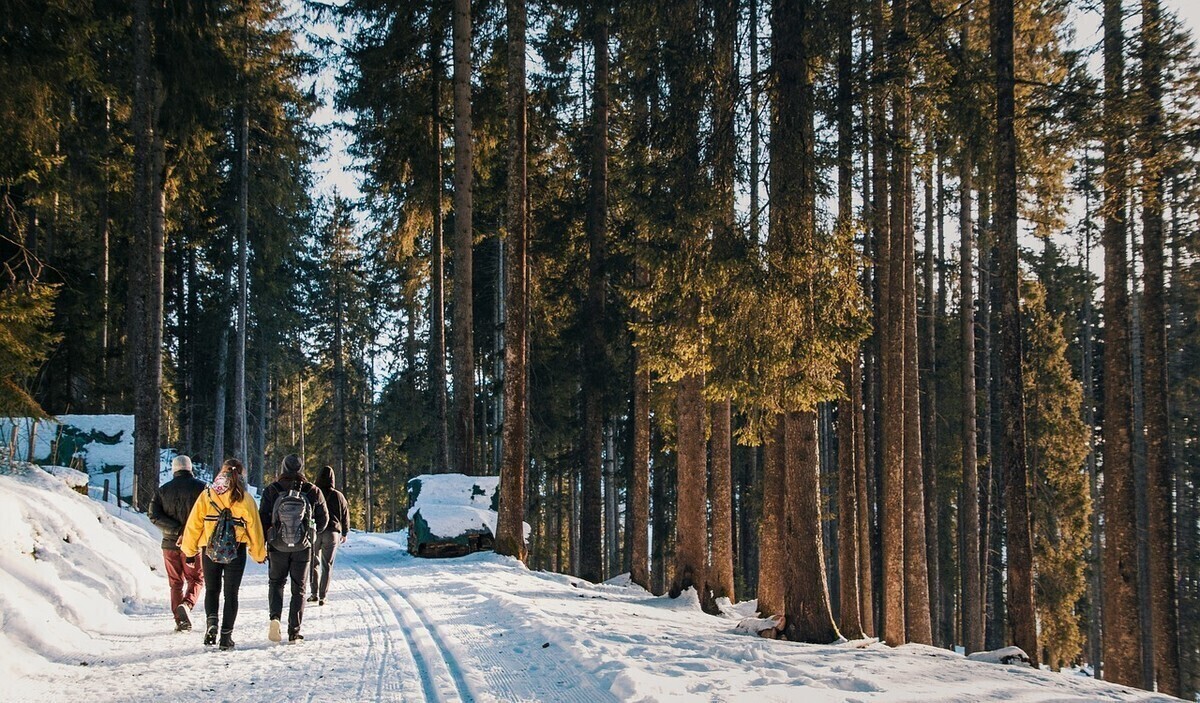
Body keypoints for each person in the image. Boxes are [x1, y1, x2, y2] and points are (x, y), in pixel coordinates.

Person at [181, 458, 266, 651]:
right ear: (240, 474)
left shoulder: (207, 495)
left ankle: (212, 623)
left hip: (209, 550)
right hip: (236, 551)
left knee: (212, 590)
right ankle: (226, 637)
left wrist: (189, 551)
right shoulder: (245, 498)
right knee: (231, 594)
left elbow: (193, 524)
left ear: (222, 472)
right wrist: (259, 554)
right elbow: (255, 529)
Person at [260, 454, 328, 644]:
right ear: (301, 469)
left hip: (277, 546)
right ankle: (294, 631)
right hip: (303, 547)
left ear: (283, 468)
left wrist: (269, 537)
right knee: (299, 588)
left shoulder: (272, 490)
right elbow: (324, 520)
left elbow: (262, 518)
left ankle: (275, 618)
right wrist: (310, 533)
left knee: (276, 583)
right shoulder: (312, 490)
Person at [148, 455, 207, 631]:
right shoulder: (202, 489)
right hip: (193, 544)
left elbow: (153, 515)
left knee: (175, 582)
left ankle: (179, 620)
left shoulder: (162, 490)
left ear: (174, 470)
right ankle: (187, 605)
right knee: (196, 579)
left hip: (169, 544)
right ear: (190, 468)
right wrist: (188, 531)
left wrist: (175, 530)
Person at [308, 465, 349, 606]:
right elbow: (345, 515)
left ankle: (313, 593)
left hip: (316, 531)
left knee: (313, 563)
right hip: (332, 533)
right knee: (327, 564)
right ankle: (322, 596)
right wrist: (345, 532)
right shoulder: (339, 496)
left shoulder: (314, 493)